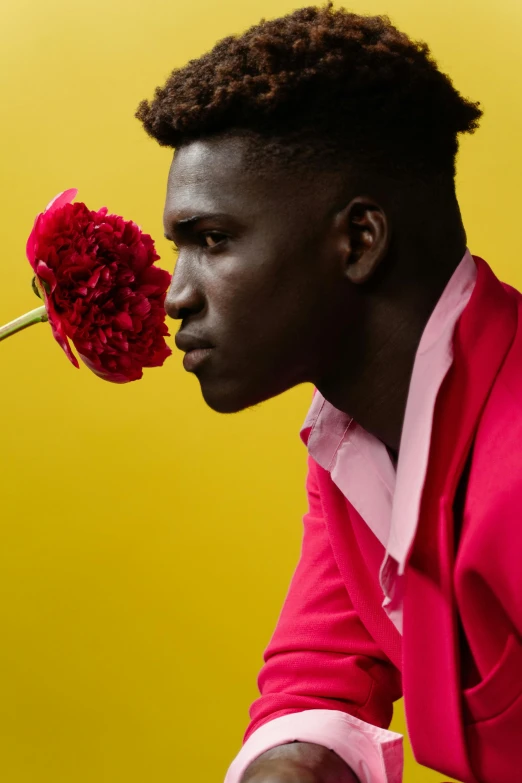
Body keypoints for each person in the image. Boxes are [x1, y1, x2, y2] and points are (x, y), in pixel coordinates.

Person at [135, 4, 522, 782]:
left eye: (211, 241)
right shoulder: (358, 436)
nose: (174, 296)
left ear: (359, 241)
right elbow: (318, 676)